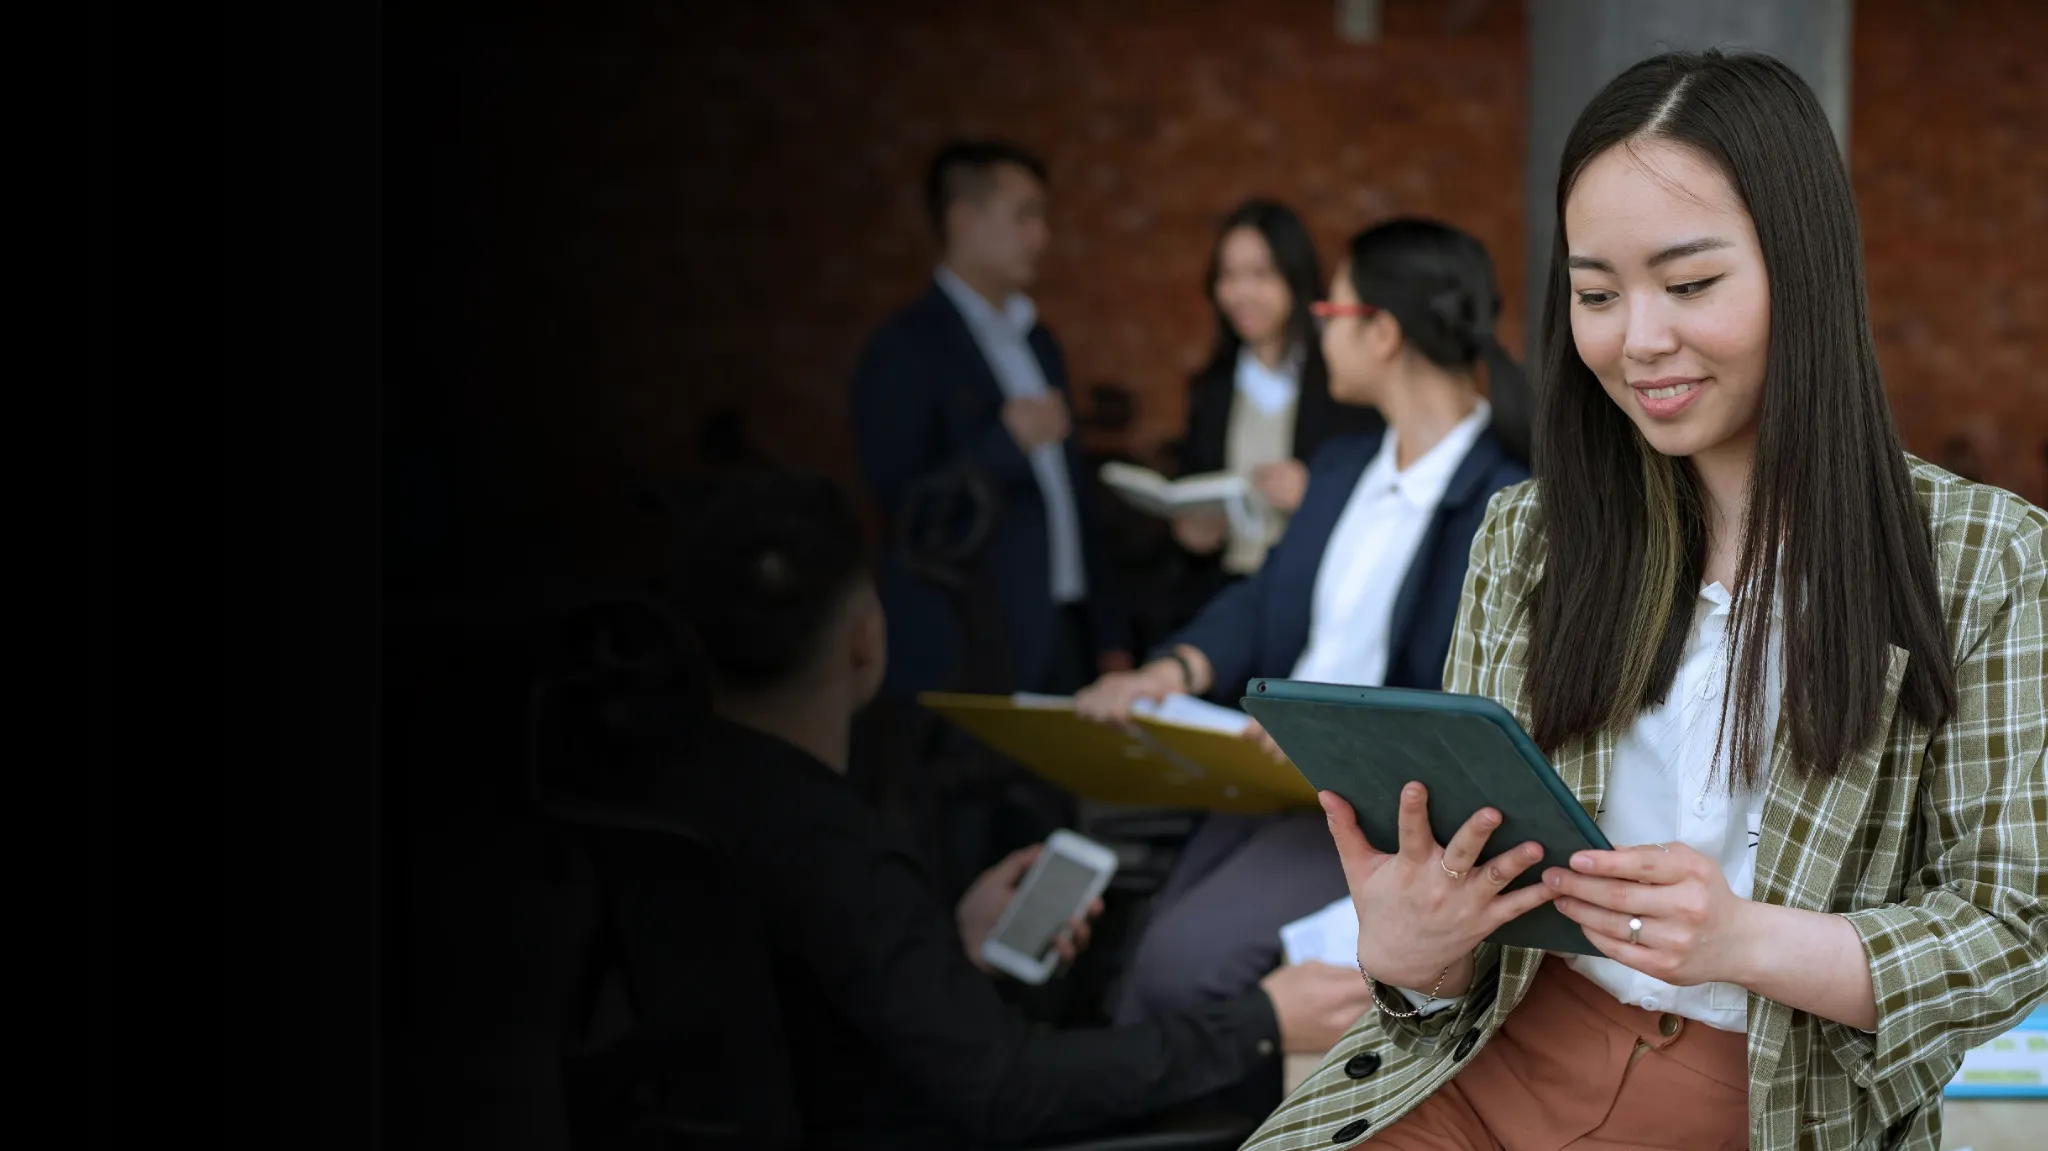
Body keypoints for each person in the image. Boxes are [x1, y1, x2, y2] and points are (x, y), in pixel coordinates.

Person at [1238, 50, 2047, 1151]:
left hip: (1756, 1092)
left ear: (1800, 268)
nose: (1638, 339)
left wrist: (1737, 938)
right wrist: (1414, 954)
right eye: (1596, 294)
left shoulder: (1981, 555)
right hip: (1483, 1059)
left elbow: (2008, 930)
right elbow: (1460, 919)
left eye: (1689, 283)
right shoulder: (1528, 536)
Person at [659, 470, 1374, 1150]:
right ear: (864, 639)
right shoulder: (839, 849)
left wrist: (948, 953)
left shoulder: (688, 793)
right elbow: (1007, 1086)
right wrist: (1262, 1019)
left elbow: (817, 1007)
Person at [1074, 218, 1533, 1034]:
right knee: (1136, 948)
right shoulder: (1342, 467)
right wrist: (1172, 669)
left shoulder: (1508, 500)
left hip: (1374, 808)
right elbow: (1266, 600)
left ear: (1383, 332)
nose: (1320, 330)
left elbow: (1484, 699)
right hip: (1268, 780)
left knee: (1182, 969)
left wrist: (1333, 739)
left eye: (1333, 310)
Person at [850, 138, 1131, 701]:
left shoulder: (1039, 340)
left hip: (1061, 629)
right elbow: (904, 510)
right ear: (964, 219)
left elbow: (1069, 495)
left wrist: (1108, 632)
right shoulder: (906, 346)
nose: (1041, 237)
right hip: (968, 644)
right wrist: (1005, 444)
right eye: (1025, 215)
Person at [1170, 199, 1386, 617]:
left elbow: (1378, 492)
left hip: (1317, 597)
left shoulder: (1342, 384)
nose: (1240, 293)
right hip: (1226, 597)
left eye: (1260, 274)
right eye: (1228, 276)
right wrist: (1190, 529)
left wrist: (1315, 493)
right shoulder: (1211, 388)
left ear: (1295, 277)